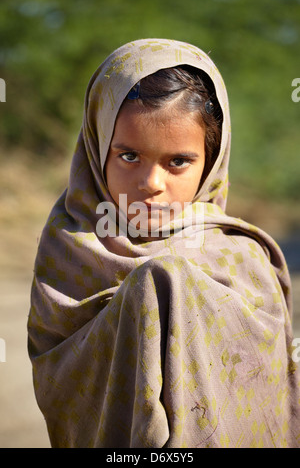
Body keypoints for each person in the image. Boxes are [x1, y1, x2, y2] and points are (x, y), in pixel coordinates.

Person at [28, 38, 300, 448]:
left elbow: (268, 393)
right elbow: (61, 379)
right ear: (97, 143)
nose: (152, 184)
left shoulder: (241, 257)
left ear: (211, 158)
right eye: (129, 156)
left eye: (177, 162)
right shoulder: (70, 243)